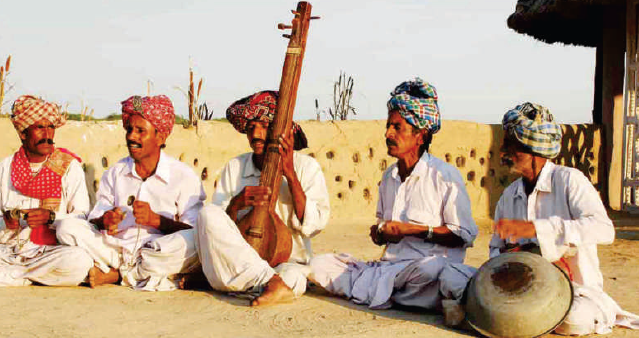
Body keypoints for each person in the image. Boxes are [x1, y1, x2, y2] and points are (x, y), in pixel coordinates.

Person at [308, 78, 478, 325]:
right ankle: (405, 296)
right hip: (391, 270)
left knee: (435, 271)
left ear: (420, 135)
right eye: (389, 127)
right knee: (319, 263)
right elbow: (382, 229)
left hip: (423, 271)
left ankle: (393, 293)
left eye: (397, 128)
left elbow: (464, 235)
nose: (388, 134)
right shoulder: (390, 176)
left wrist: (413, 230)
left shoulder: (444, 175)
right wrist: (381, 233)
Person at [490, 102, 639, 335]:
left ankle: (602, 311)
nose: (502, 152)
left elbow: (604, 230)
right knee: (461, 288)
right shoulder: (509, 196)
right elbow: (495, 249)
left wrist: (537, 230)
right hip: (521, 289)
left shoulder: (570, 180)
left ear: (534, 149)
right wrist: (509, 256)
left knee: (573, 319)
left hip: (575, 290)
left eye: (510, 145)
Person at [57, 95, 205, 290]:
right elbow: (93, 221)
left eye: (140, 131)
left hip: (156, 252)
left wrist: (156, 221)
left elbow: (193, 232)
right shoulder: (115, 173)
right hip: (115, 251)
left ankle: (118, 275)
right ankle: (139, 275)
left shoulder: (183, 176)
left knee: (194, 245)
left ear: (160, 137)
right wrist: (105, 220)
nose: (131, 136)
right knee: (66, 227)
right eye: (129, 129)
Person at [195, 90, 330, 306]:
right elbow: (217, 228)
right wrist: (237, 203)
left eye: (265, 127)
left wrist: (291, 175)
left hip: (288, 261)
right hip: (241, 259)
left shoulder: (307, 167)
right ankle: (265, 284)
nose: (256, 135)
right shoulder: (235, 167)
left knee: (295, 276)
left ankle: (259, 283)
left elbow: (315, 226)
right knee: (207, 214)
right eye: (250, 128)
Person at [0, 95, 92, 288]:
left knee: (79, 261)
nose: (47, 134)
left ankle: (8, 277)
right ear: (23, 134)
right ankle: (24, 276)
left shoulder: (69, 167)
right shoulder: (4, 169)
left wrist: (50, 217)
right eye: (39, 128)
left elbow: (81, 218)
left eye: (50, 127)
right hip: (9, 252)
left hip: (52, 251)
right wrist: (7, 223)